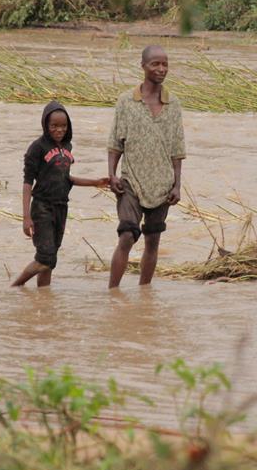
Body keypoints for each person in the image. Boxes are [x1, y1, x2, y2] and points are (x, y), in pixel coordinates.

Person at [107, 45, 185, 289]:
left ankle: (144, 293)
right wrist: (112, 175)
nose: (161, 69)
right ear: (143, 66)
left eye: (165, 64)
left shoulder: (173, 104)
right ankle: (113, 293)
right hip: (131, 181)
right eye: (155, 64)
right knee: (127, 236)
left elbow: (177, 149)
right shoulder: (126, 102)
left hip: (162, 185)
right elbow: (114, 143)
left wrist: (177, 185)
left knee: (153, 240)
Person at [12, 101, 108, 287]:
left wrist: (96, 183)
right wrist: (26, 217)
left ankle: (43, 297)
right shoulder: (37, 148)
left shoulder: (67, 147)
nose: (59, 130)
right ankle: (16, 287)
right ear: (46, 125)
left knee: (51, 258)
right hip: (42, 207)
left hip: (61, 207)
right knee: (46, 258)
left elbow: (66, 178)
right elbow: (27, 183)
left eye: (63, 126)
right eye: (54, 126)